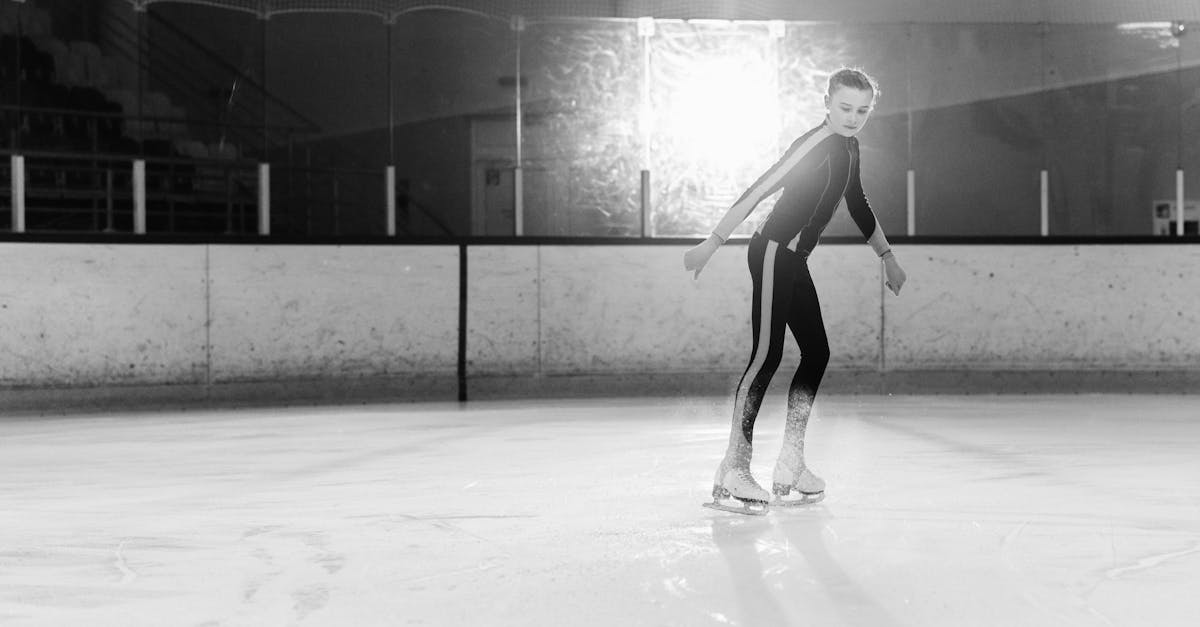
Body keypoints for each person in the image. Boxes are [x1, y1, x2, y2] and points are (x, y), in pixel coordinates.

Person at [686, 67, 907, 515]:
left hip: (792, 260)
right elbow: (759, 189)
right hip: (770, 252)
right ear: (827, 102)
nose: (853, 117)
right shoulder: (813, 144)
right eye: (845, 107)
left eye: (863, 111)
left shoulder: (850, 147)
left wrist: (887, 256)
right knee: (766, 354)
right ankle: (735, 465)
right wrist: (712, 242)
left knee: (817, 353)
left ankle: (790, 462)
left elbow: (858, 203)